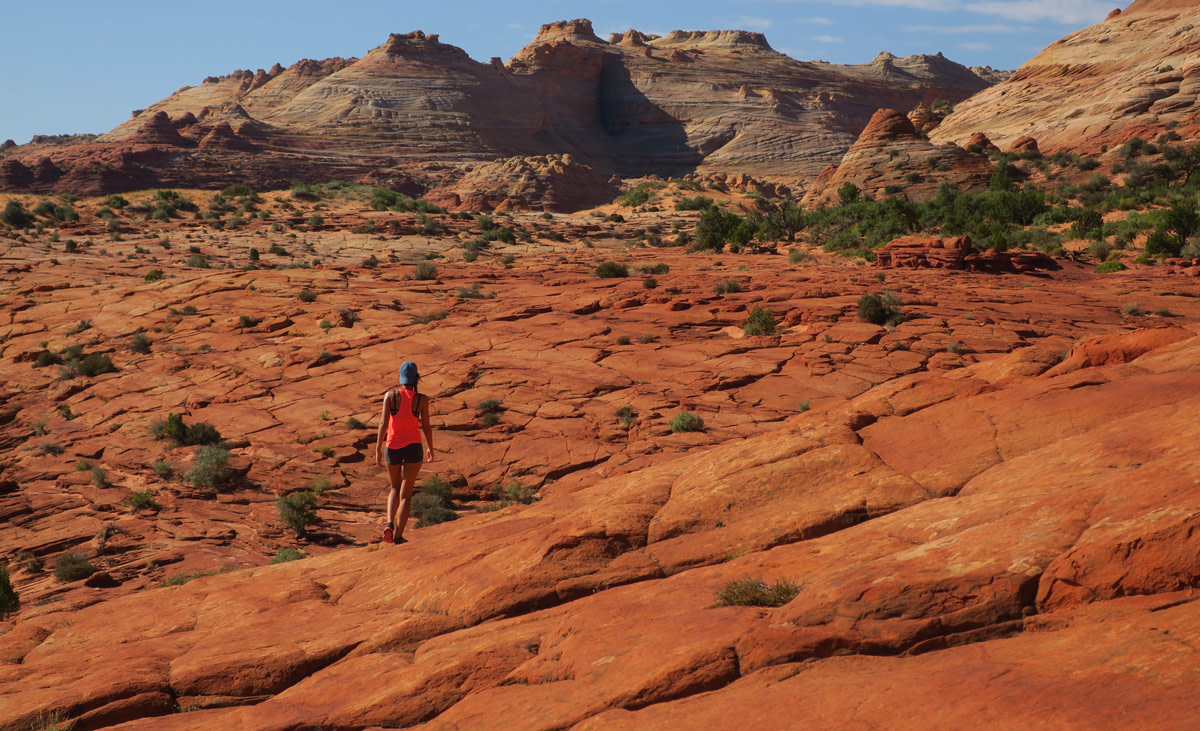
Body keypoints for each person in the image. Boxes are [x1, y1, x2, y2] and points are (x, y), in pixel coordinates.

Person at [375, 361, 434, 544]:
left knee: (394, 487)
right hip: (414, 448)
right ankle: (398, 535)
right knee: (406, 494)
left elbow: (383, 424)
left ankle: (389, 524)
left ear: (401, 378)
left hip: (392, 447)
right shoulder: (421, 400)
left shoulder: (390, 396)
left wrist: (378, 449)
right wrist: (431, 448)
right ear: (416, 378)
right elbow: (426, 426)